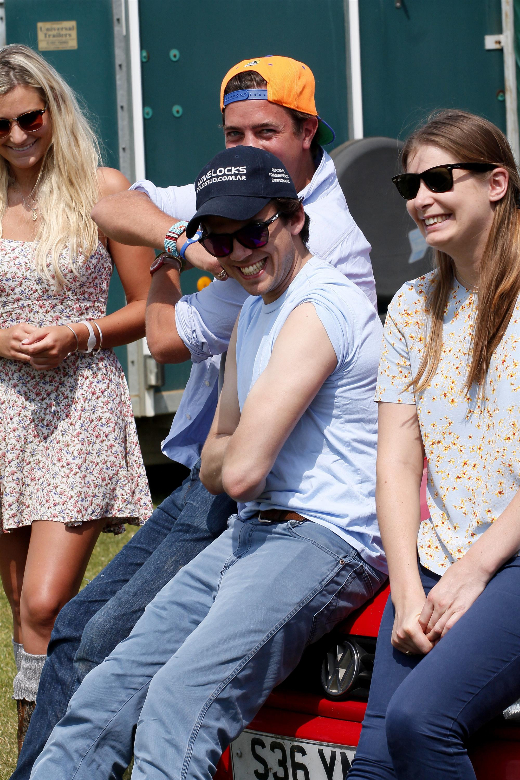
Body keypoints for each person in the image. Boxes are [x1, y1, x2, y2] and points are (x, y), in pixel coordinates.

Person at [11, 55, 376, 779]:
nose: (239, 250)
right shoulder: (253, 293)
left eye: (253, 232)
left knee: (171, 697)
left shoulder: (316, 286)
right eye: (224, 236)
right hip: (251, 520)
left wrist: (174, 251)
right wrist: (179, 241)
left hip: (313, 529)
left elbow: (229, 457)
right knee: (104, 679)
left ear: (295, 211)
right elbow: (111, 204)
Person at [348, 110, 520, 780]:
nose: (420, 198)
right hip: (434, 563)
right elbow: (395, 462)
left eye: (439, 179)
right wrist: (407, 586)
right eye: (409, 185)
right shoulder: (414, 306)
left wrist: (474, 570)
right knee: (374, 767)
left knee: (422, 724)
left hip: (505, 561)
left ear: (496, 182)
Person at [0, 44, 153, 749]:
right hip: (6, 410)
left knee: (45, 600)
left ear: (54, 109)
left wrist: (79, 334)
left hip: (79, 409)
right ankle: (59, 742)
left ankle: (51, 756)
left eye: (28, 118)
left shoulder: (101, 188)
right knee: (23, 612)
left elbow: (152, 306)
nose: (17, 137)